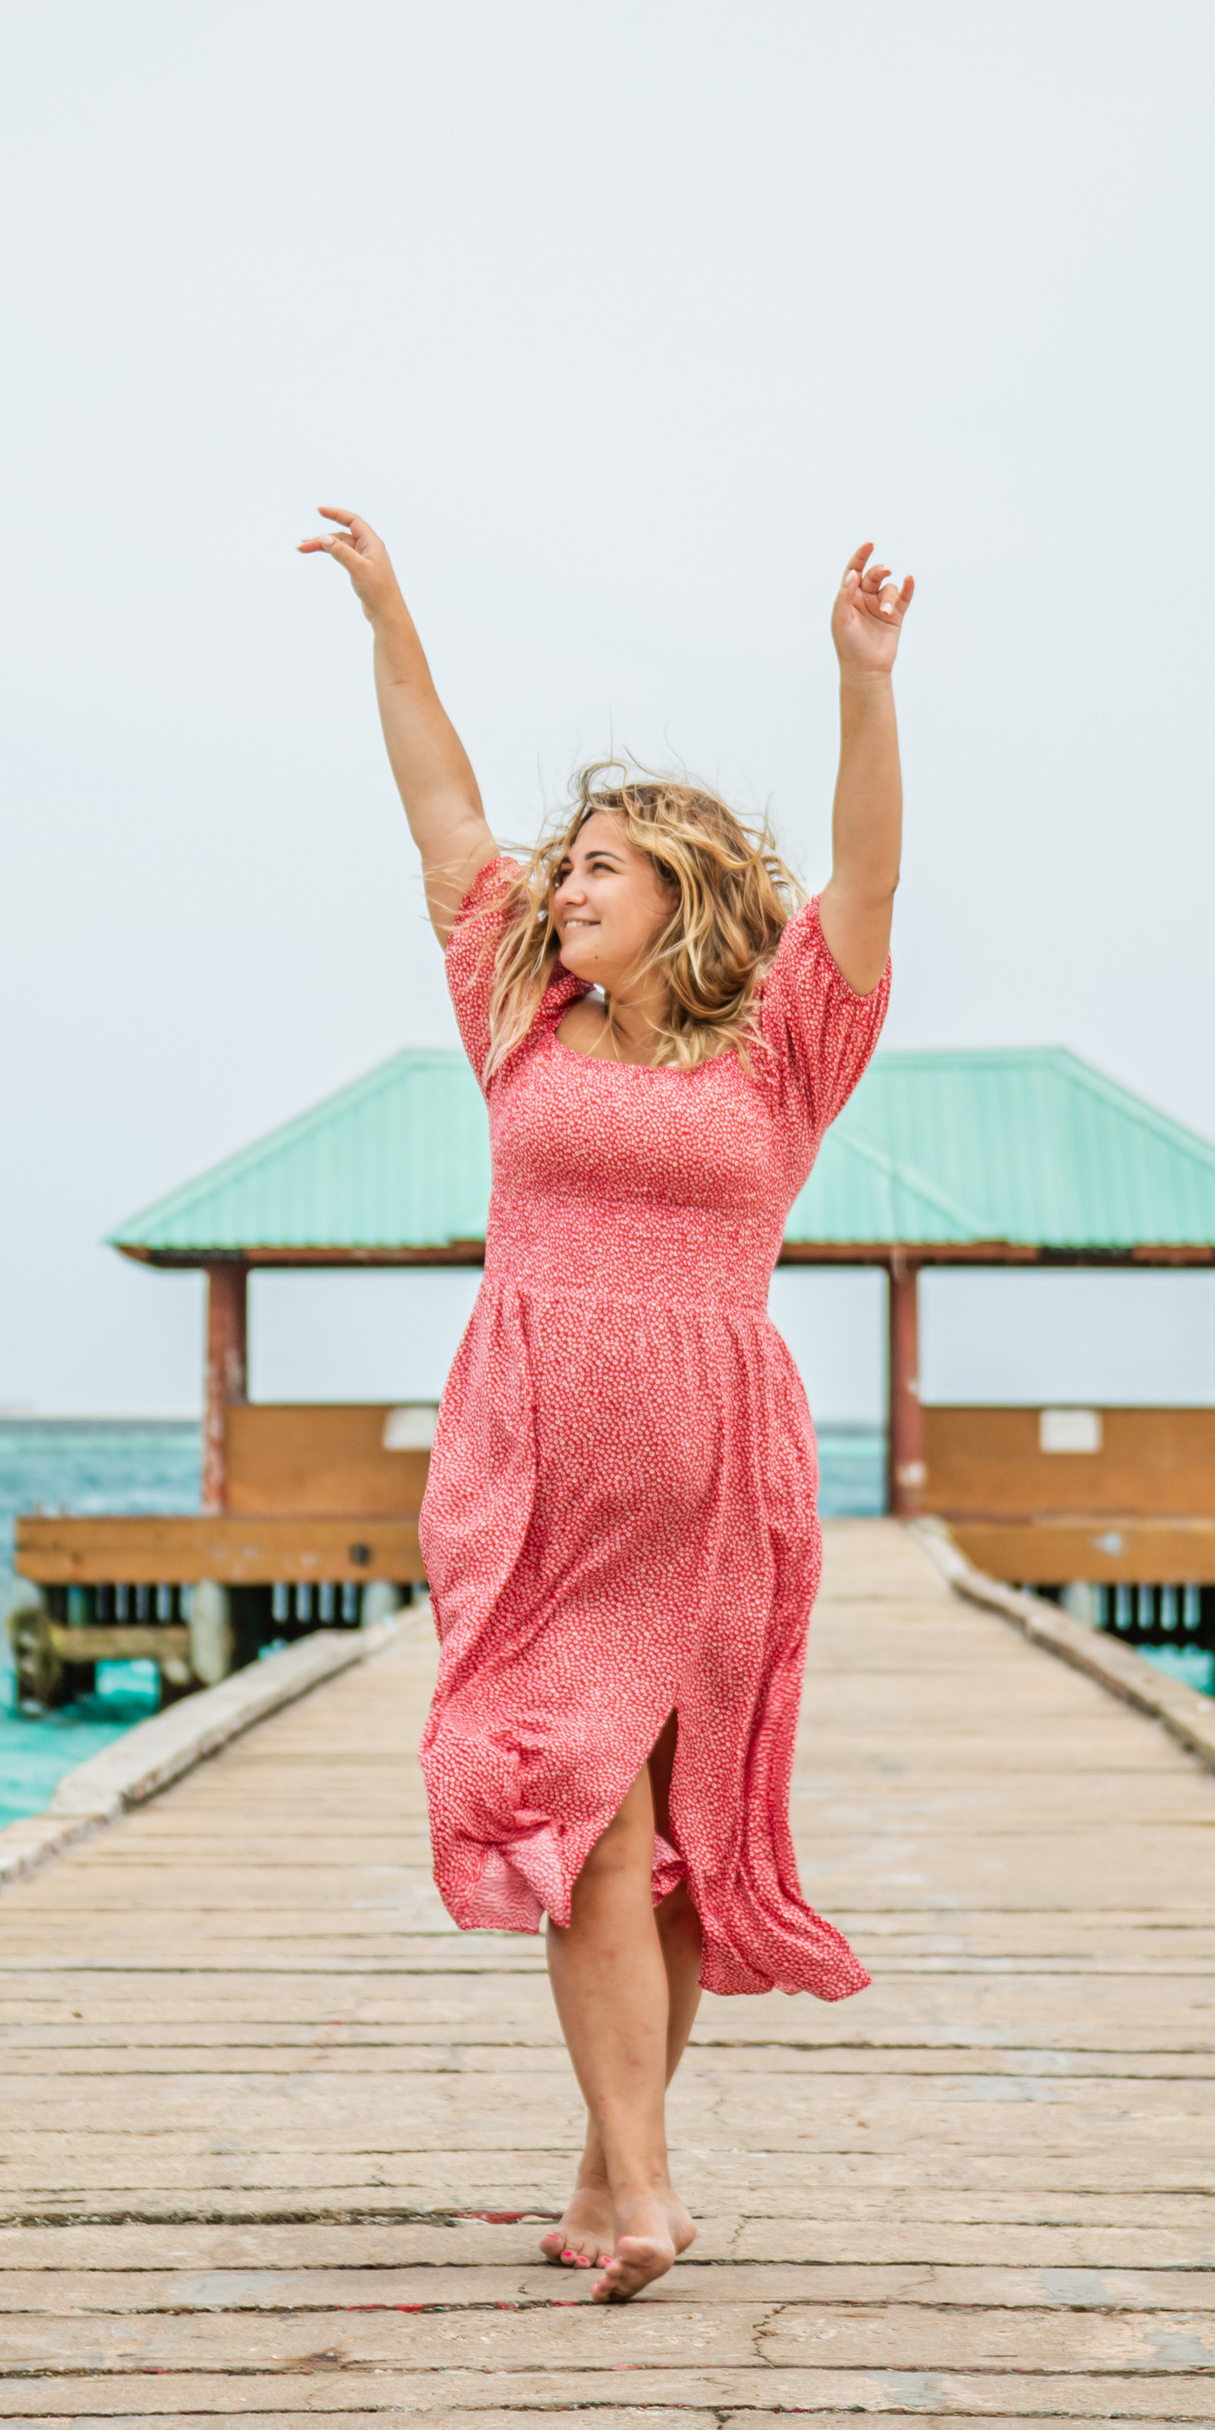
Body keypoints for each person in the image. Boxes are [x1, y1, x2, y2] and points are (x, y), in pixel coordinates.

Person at [300, 509, 913, 2298]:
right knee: (584, 1802)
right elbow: (438, 813)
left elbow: (866, 888)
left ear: (686, 896)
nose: (566, 886)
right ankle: (643, 2190)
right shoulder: (515, 1009)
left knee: (680, 1840)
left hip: (719, 1477)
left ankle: (608, 2171)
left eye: (603, 869)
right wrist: (390, 613)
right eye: (564, 865)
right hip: (542, 1460)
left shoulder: (786, 1046)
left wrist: (862, 686)